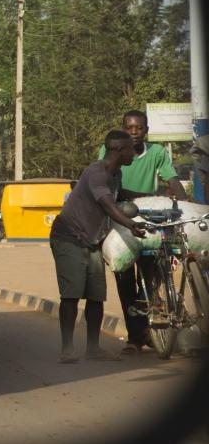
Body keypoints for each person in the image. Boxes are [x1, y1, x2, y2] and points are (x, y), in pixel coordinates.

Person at [50, 130, 148, 364]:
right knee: (72, 295)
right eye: (129, 149)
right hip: (69, 237)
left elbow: (120, 195)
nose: (133, 154)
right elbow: (108, 206)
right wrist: (131, 226)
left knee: (96, 296)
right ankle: (67, 348)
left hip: (93, 240)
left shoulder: (116, 174)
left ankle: (93, 349)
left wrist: (152, 196)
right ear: (117, 150)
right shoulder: (96, 173)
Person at [97, 109, 188, 354]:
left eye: (139, 128)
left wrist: (185, 206)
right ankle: (134, 338)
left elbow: (173, 181)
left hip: (149, 220)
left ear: (146, 130)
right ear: (123, 129)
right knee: (125, 281)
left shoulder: (157, 152)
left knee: (152, 275)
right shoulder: (110, 150)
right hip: (119, 219)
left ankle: (149, 328)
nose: (134, 132)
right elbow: (105, 182)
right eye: (129, 128)